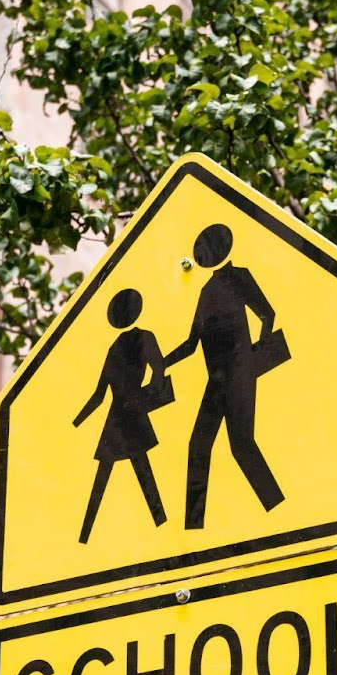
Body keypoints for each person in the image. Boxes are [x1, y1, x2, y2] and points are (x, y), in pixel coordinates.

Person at [165, 223, 287, 530]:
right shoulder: (206, 291)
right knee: (198, 445)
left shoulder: (238, 276)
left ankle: (281, 514)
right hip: (216, 380)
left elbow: (267, 314)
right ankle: (193, 531)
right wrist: (162, 364)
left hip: (239, 372)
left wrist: (254, 356)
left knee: (241, 444)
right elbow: (192, 344)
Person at [72, 288, 171, 543]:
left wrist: (77, 422)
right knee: (140, 472)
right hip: (128, 415)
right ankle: (163, 527)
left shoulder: (115, 347)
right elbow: (158, 372)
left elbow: (99, 395)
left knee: (115, 474)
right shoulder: (140, 339)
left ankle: (85, 535)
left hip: (118, 417)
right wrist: (74, 423)